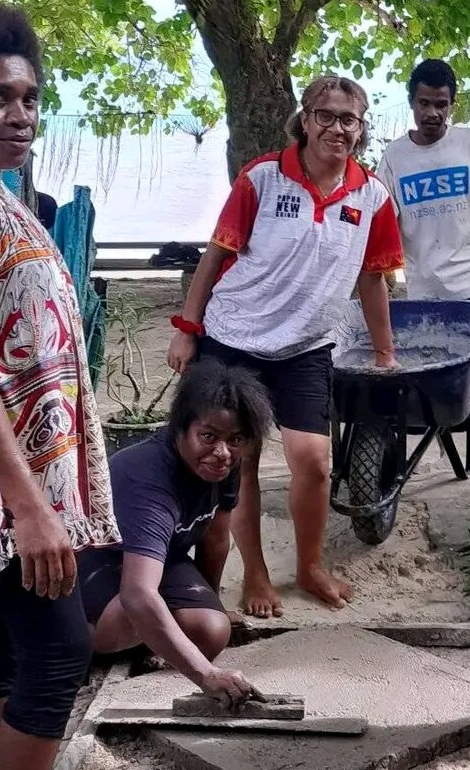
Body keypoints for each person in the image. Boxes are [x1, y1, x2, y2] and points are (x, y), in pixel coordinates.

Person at [0, 1, 120, 770]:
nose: (21, 114)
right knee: (59, 647)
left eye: (31, 97)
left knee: (11, 641)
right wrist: (30, 507)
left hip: (22, 471)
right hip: (3, 480)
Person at [167, 76, 404, 617]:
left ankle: (310, 566)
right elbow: (214, 257)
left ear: (361, 129)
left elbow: (373, 279)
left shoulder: (372, 196)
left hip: (306, 346)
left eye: (349, 119)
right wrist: (188, 328)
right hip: (236, 339)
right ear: (305, 117)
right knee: (240, 462)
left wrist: (385, 354)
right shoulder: (262, 178)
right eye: (325, 115)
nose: (336, 128)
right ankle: (255, 574)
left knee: (313, 462)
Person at [78, 360, 271, 704]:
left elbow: (215, 538)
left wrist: (211, 600)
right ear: (181, 429)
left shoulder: (226, 461)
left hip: (159, 558)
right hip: (97, 557)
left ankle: (152, 637)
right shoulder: (148, 478)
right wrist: (205, 675)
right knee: (128, 621)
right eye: (208, 436)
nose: (222, 453)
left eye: (235, 439)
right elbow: (138, 594)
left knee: (213, 631)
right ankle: (79, 643)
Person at [377, 59, 470, 473]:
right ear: (411, 103)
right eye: (424, 103)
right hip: (424, 284)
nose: (432, 113)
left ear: (452, 104)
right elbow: (386, 223)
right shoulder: (394, 157)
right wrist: (383, 275)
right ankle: (417, 452)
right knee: (423, 374)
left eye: (441, 104)